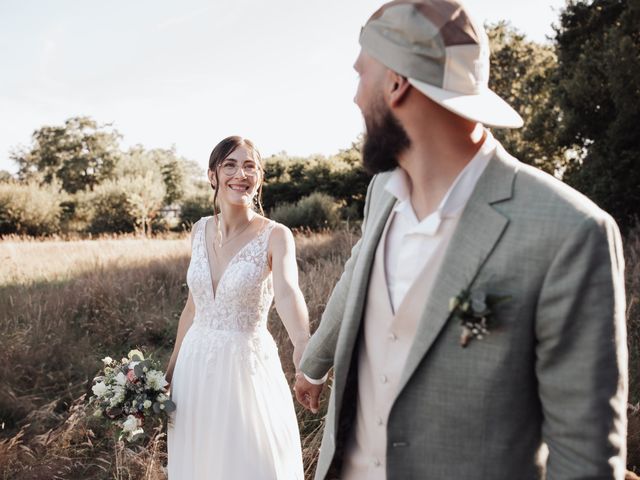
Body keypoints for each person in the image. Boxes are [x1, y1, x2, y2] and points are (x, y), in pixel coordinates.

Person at [294, 1, 628, 479]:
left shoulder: (569, 232)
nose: (354, 97)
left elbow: (585, 458)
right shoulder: (381, 193)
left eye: (360, 75)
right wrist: (314, 364)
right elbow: (355, 281)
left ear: (395, 82)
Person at [165, 136, 308, 479]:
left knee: (251, 461)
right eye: (230, 164)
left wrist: (305, 352)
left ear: (259, 177)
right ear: (213, 174)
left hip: (245, 368)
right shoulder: (199, 230)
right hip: (194, 367)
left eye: (250, 166)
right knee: (200, 460)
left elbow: (288, 294)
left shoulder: (276, 235)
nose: (240, 174)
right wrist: (170, 371)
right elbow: (191, 308)